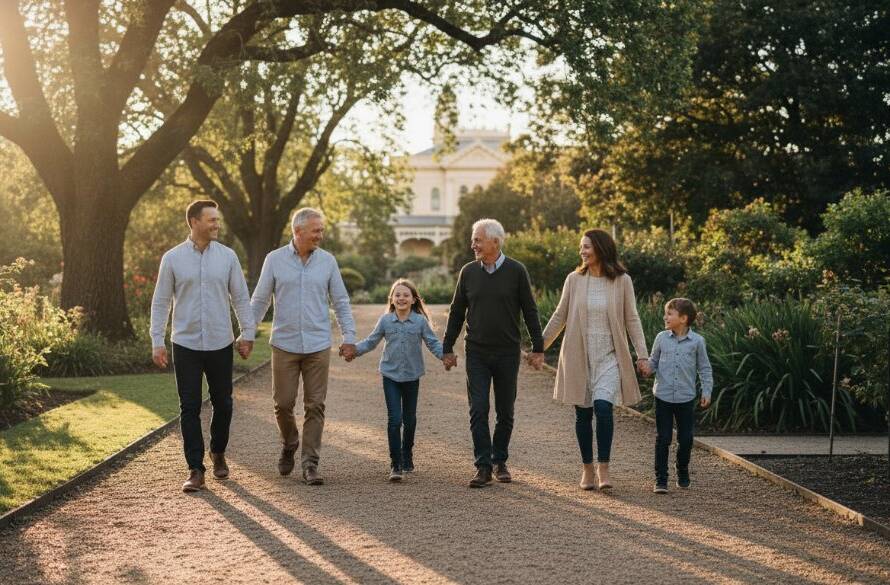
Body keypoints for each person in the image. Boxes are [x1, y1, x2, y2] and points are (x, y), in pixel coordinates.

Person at [150, 199, 255, 493]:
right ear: (194, 222)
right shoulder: (172, 258)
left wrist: (247, 333)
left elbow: (240, 297)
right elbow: (160, 302)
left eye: (217, 220)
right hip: (185, 343)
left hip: (221, 342)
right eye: (211, 220)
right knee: (189, 407)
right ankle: (195, 469)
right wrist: (157, 340)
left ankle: (218, 450)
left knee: (224, 403)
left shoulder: (228, 257)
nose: (216, 225)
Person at [250, 207, 356, 486]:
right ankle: (290, 442)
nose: (321, 235)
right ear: (298, 232)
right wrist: (248, 333)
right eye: (316, 231)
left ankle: (310, 463)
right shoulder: (274, 260)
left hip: (318, 343)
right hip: (284, 344)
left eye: (321, 230)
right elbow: (260, 300)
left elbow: (341, 301)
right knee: (282, 404)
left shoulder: (328, 262)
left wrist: (349, 337)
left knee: (315, 405)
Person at [542, 229, 649, 491]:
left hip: (610, 357)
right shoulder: (574, 279)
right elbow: (560, 316)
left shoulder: (622, 281)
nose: (582, 251)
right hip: (580, 354)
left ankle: (604, 468)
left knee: (603, 407)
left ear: (601, 248)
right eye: (581, 247)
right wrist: (539, 347)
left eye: (587, 247)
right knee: (583, 413)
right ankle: (587, 468)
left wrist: (642, 354)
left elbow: (632, 319)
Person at [443, 218, 545, 488]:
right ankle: (483, 466)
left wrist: (538, 348)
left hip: (507, 352)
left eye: (477, 239)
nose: (472, 244)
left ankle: (500, 460)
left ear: (495, 242)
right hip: (476, 350)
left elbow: (530, 310)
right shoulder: (468, 272)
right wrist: (447, 347)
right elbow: (456, 312)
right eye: (473, 239)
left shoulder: (516, 271)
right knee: (478, 408)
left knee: (505, 410)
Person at [345, 279, 445, 482]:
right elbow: (371, 341)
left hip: (412, 376)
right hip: (390, 375)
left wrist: (446, 355)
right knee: (394, 419)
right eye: (397, 295)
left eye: (406, 295)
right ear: (391, 298)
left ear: (413, 299)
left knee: (409, 421)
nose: (401, 298)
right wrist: (354, 350)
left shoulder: (419, 322)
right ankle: (396, 463)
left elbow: (433, 343)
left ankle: (407, 454)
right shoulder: (385, 321)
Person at [642, 297, 713, 494]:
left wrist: (706, 391)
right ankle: (661, 479)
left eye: (669, 313)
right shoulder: (661, 338)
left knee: (686, 438)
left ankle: (682, 470)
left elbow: (704, 369)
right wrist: (647, 368)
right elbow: (653, 361)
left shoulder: (697, 342)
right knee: (663, 437)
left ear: (683, 318)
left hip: (685, 398)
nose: (665, 316)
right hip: (663, 396)